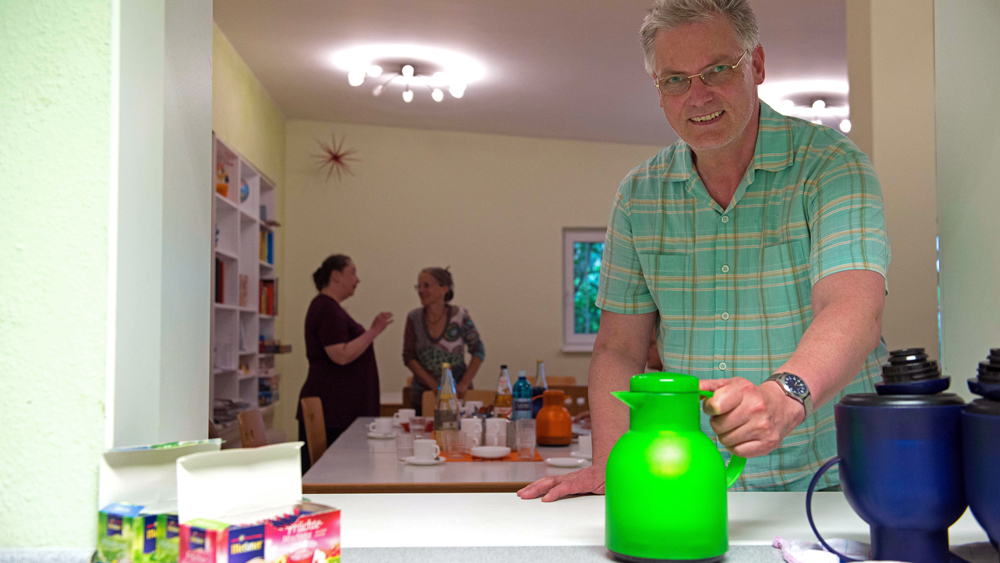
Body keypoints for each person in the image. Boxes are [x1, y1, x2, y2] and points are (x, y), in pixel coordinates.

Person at [519, 0, 889, 501]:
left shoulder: (831, 166)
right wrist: (608, 462)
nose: (698, 96)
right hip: (696, 484)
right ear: (659, 92)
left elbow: (853, 308)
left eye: (717, 69)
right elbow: (618, 348)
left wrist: (784, 397)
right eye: (675, 79)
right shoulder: (639, 196)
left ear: (756, 65)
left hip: (835, 483)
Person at [297, 254, 393, 472]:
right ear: (336, 276)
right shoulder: (327, 308)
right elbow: (340, 355)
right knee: (331, 474)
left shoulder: (330, 308)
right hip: (333, 411)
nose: (357, 280)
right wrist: (374, 331)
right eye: (353, 272)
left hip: (338, 410)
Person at [403, 267, 485, 414]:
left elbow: (478, 350)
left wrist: (464, 383)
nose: (421, 290)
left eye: (427, 285)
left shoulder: (459, 315)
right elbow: (408, 356)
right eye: (419, 286)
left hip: (458, 397)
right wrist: (434, 386)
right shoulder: (413, 318)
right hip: (423, 397)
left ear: (444, 289)